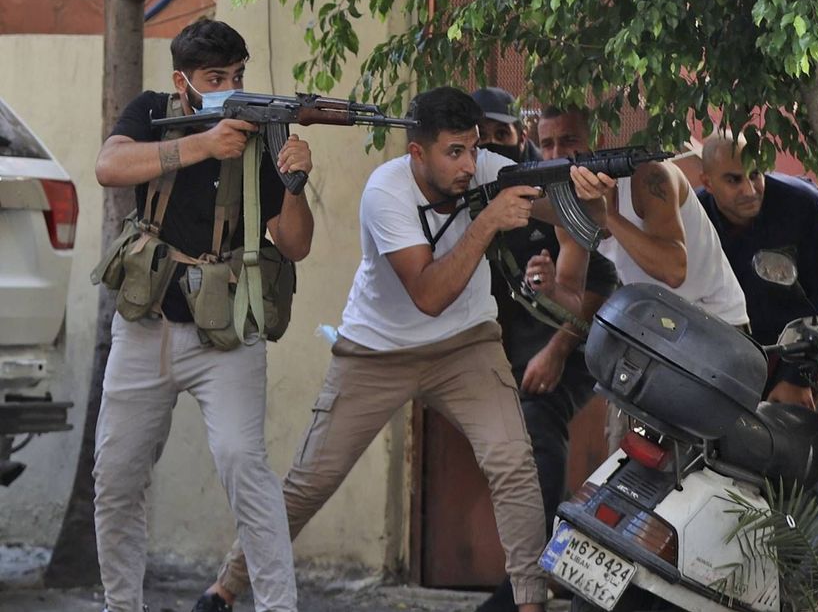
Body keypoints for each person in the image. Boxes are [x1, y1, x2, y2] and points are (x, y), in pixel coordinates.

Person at [195, 87, 615, 612]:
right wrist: (487, 221)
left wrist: (590, 196)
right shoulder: (385, 192)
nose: (468, 165)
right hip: (376, 352)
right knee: (310, 483)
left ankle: (529, 604)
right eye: (453, 153)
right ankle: (227, 586)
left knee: (513, 464)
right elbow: (429, 295)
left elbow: (576, 218)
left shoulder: (488, 166)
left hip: (466, 348)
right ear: (418, 153)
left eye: (473, 148)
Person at [92, 19, 314, 612]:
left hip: (227, 334)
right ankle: (121, 606)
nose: (230, 89)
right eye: (216, 79)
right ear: (183, 83)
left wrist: (294, 182)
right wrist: (201, 144)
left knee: (246, 469)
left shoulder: (261, 132)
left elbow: (294, 244)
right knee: (116, 477)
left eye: (237, 76)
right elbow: (109, 166)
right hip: (145, 327)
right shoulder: (151, 110)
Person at [470, 89, 619, 612]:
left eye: (502, 135)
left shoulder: (559, 188)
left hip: (565, 347)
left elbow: (599, 283)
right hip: (497, 353)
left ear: (517, 136)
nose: (493, 147)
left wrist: (556, 349)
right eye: (481, 139)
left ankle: (530, 581)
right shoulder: (472, 184)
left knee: (539, 427)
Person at [537, 106, 748, 449]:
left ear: (597, 141)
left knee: (698, 463)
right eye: (547, 145)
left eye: (569, 140)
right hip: (656, 333)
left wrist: (608, 219)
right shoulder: (570, 198)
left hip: (714, 331)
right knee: (624, 453)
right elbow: (572, 297)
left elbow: (673, 269)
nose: (558, 154)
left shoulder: (648, 177)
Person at [697, 133, 818, 409]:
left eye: (755, 174)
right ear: (707, 183)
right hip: (721, 369)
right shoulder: (694, 216)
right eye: (734, 180)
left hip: (801, 361)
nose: (749, 190)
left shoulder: (803, 205)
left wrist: (799, 376)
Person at [471, 86, 543, 163]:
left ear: (522, 139)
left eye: (501, 134)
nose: (492, 142)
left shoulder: (544, 170)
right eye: (481, 135)